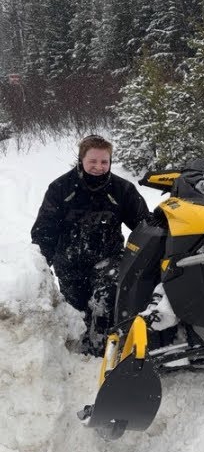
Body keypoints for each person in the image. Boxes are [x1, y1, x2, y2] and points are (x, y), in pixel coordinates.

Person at [31, 135, 150, 354]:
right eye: (92, 161)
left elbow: (144, 226)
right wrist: (40, 264)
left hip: (109, 259)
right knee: (78, 314)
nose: (99, 166)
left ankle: (102, 351)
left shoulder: (122, 189)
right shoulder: (60, 188)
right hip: (70, 262)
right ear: (81, 160)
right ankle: (79, 353)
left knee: (106, 303)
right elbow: (45, 230)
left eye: (104, 161)